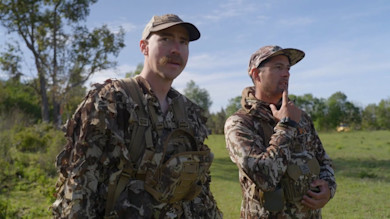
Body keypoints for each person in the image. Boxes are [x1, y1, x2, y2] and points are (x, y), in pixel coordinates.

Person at [52, 14, 222, 218]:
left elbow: (198, 188)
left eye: (183, 42)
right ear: (144, 47)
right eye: (165, 39)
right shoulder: (111, 100)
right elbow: (79, 186)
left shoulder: (189, 112)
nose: (176, 49)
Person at [224, 45, 336, 218]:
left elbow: (324, 161)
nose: (286, 74)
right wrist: (286, 126)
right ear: (256, 74)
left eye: (288, 68)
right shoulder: (240, 123)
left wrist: (328, 188)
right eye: (278, 67)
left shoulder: (301, 117)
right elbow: (265, 178)